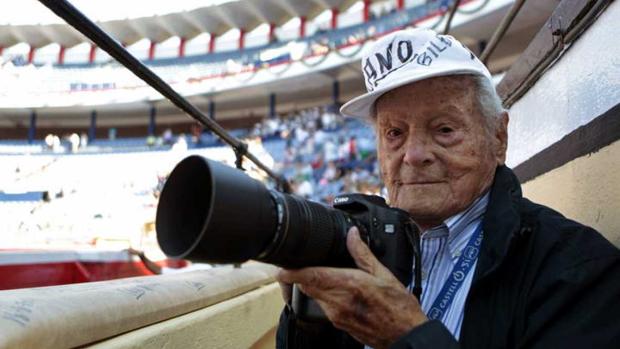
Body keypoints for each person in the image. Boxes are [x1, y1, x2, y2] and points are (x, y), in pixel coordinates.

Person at [275, 28, 620, 348]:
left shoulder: (576, 268)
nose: (413, 155)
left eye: (444, 129)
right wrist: (306, 324)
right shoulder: (365, 245)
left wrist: (408, 336)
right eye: (394, 133)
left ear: (498, 138)